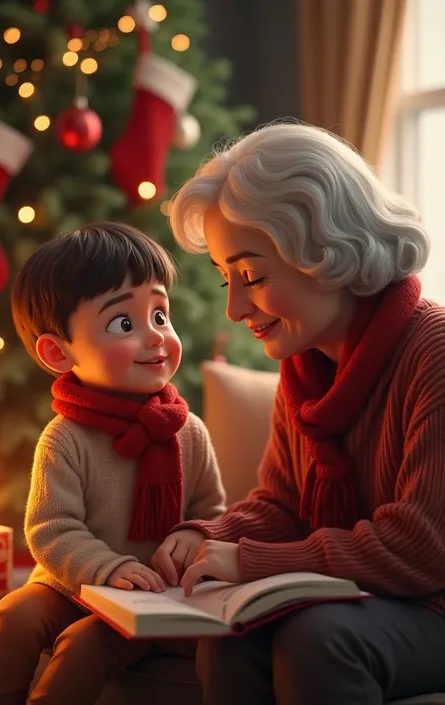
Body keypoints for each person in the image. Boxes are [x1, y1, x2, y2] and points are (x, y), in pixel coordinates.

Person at [151, 122, 445, 705]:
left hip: (433, 602)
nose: (235, 308)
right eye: (226, 278)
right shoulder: (305, 368)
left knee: (319, 639)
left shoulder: (433, 352)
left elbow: (421, 547)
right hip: (370, 603)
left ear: (326, 250)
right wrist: (207, 537)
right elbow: (284, 505)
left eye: (253, 276)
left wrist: (250, 561)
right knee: (232, 639)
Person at [0, 222, 226, 705]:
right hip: (72, 584)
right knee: (15, 613)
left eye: (159, 314)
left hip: (148, 601)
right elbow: (51, 528)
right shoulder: (65, 437)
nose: (155, 337)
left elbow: (214, 511)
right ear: (58, 352)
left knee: (86, 644)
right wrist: (106, 568)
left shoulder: (187, 430)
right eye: (124, 324)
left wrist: (195, 533)